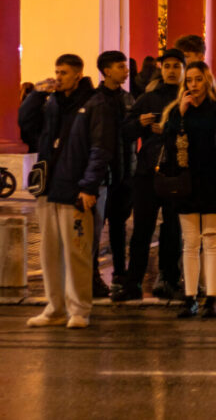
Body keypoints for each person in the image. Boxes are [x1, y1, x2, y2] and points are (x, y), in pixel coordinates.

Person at [21, 54, 116, 329]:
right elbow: (27, 127)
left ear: (78, 74)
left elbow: (100, 149)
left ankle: (79, 309)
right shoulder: (52, 103)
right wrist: (35, 96)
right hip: (49, 189)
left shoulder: (95, 104)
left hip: (75, 191)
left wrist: (88, 187)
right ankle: (55, 307)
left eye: (63, 73)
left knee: (77, 253)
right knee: (49, 253)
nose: (58, 77)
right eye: (56, 72)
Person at [112, 49, 186, 302]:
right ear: (161, 69)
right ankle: (133, 282)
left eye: (177, 66)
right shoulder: (147, 98)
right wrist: (140, 124)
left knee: (172, 228)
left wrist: (169, 130)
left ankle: (168, 278)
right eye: (167, 66)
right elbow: (126, 132)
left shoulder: (188, 98)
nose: (172, 70)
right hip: (147, 172)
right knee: (142, 228)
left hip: (176, 172)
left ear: (184, 70)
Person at [159, 61, 216, 318]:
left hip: (212, 180)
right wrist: (181, 114)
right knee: (189, 242)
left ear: (207, 81)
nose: (194, 85)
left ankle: (211, 298)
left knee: (211, 239)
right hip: (185, 182)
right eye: (189, 81)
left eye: (198, 80)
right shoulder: (178, 111)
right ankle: (190, 298)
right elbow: (167, 142)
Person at [93, 51, 136, 295]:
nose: (126, 70)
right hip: (102, 175)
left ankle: (120, 271)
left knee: (119, 226)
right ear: (107, 71)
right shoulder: (96, 100)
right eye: (121, 66)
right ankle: (93, 274)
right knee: (96, 229)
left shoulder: (128, 99)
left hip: (124, 173)